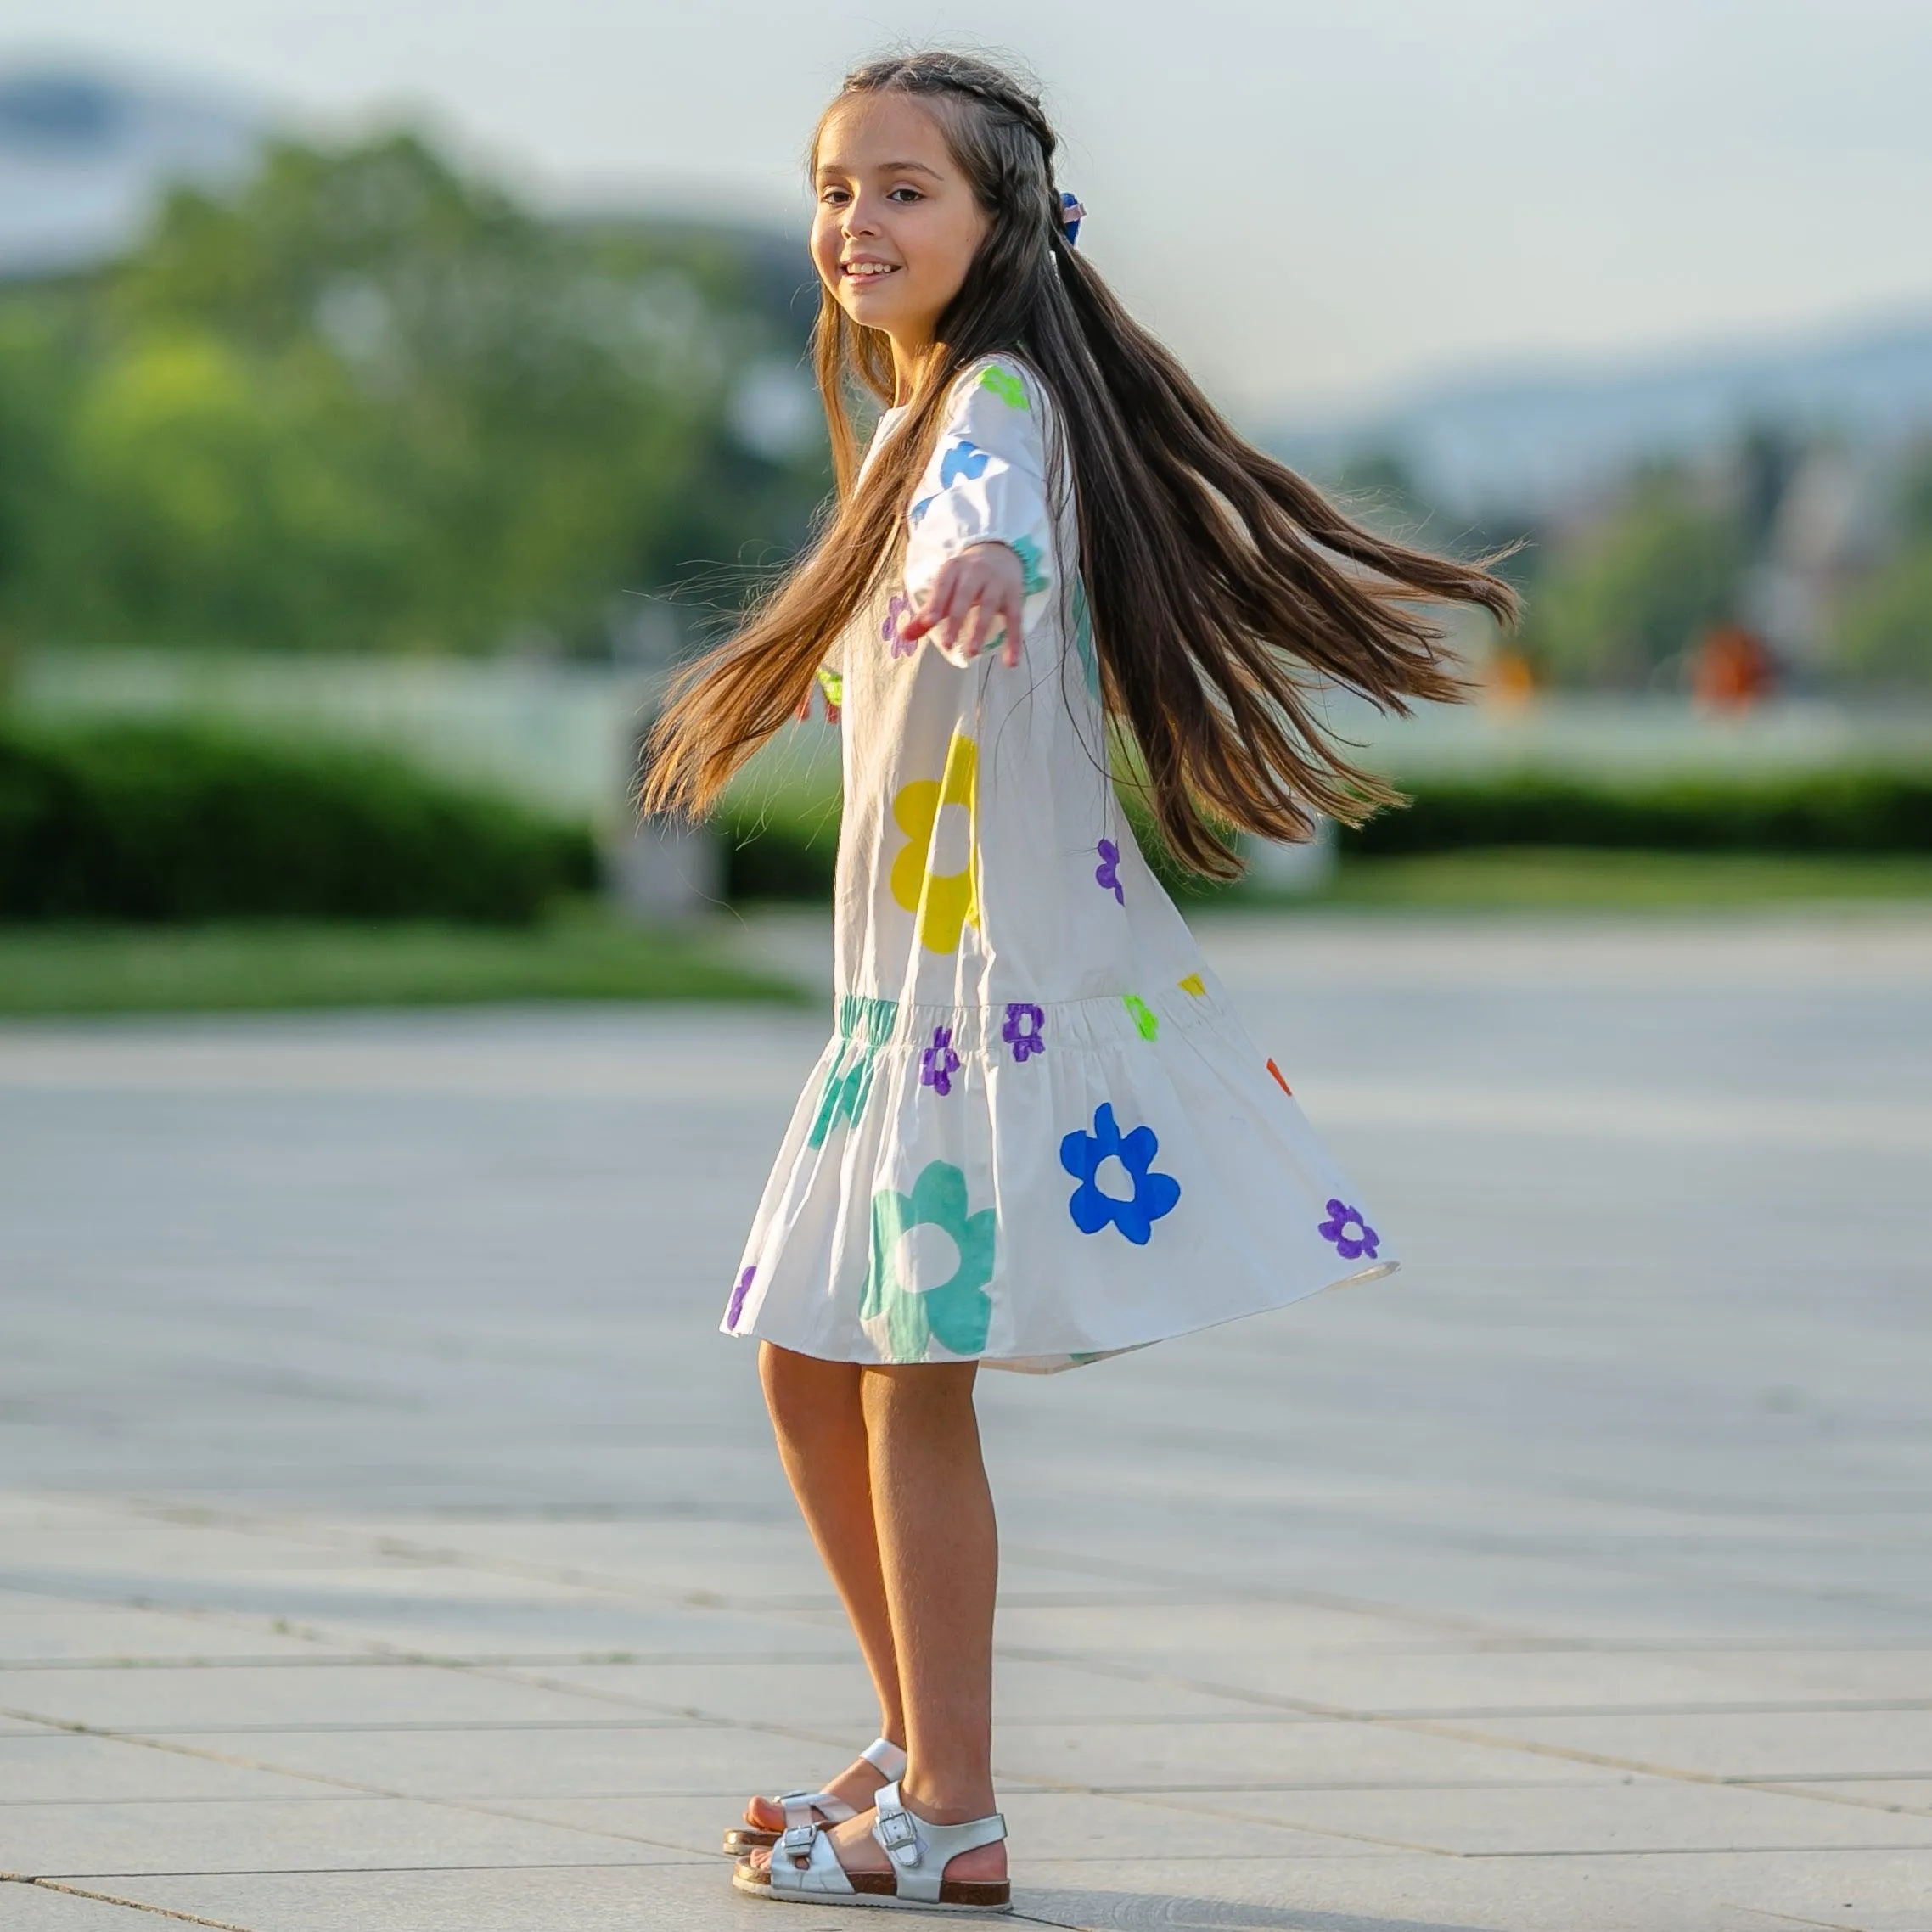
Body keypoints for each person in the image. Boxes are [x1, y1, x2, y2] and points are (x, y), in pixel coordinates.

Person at [643, 48, 1517, 1915]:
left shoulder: (993, 406)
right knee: (811, 1366)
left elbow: (993, 508)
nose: (855, 223)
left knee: (897, 1377)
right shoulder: (912, 424)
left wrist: (971, 569)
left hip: (982, 996)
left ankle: (951, 1803)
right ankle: (908, 1747)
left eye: (901, 191)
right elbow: (918, 570)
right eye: (834, 188)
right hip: (902, 999)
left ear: (997, 223)